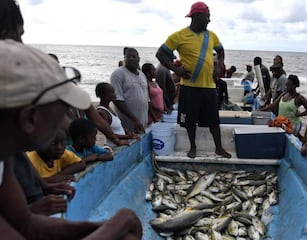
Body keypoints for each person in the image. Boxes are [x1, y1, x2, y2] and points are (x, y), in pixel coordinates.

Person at [0, 40, 142, 239]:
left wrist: (106, 227)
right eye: (62, 113)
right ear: (29, 118)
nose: (67, 125)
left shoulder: (5, 157)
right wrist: (122, 220)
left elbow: (25, 223)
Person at [156, 1, 231, 159]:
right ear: (197, 16)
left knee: (213, 120)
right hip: (189, 87)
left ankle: (219, 148)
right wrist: (176, 69)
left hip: (209, 87)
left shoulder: (212, 36)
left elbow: (221, 50)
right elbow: (160, 54)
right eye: (207, 16)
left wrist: (219, 66)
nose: (209, 20)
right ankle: (192, 147)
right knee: (190, 121)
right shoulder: (179, 36)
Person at [110, 47, 149, 133]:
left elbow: (146, 98)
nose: (131, 58)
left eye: (133, 56)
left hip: (142, 123)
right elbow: (117, 99)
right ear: (124, 59)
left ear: (138, 59)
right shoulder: (118, 74)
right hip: (127, 124)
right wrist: (134, 119)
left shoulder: (142, 75)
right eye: (128, 57)